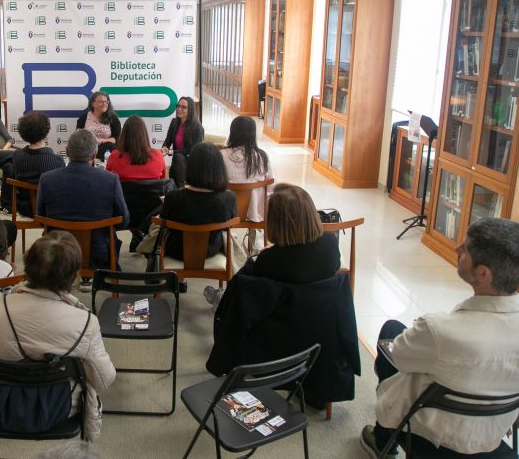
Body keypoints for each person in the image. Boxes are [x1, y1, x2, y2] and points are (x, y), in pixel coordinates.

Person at [361, 218, 519, 458]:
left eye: (465, 248)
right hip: (490, 436)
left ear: (483, 273)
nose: (456, 249)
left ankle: (384, 440)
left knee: (392, 333)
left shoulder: (440, 330)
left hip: (432, 435)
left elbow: (399, 357)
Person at [0, 231, 116, 440]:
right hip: (60, 409)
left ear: (26, 265)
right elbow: (104, 379)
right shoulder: (85, 323)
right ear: (74, 275)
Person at [204, 184, 339, 309]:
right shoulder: (330, 244)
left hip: (277, 323)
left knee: (230, 296)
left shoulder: (267, 260)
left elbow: (239, 290)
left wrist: (255, 259)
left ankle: (219, 297)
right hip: (319, 320)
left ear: (274, 224)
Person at [37, 129, 130, 290]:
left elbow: (41, 219)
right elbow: (124, 221)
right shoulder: (110, 180)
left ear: (66, 152)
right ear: (94, 155)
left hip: (57, 254)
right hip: (100, 255)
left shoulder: (47, 179)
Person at [159, 142, 235, 292]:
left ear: (190, 167)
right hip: (211, 250)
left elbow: (163, 224)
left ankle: (180, 279)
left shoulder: (173, 197)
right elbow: (229, 227)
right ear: (219, 169)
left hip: (176, 250)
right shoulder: (228, 198)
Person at [10, 110, 65, 217]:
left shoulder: (16, 156)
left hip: (25, 209)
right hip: (49, 210)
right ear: (47, 132)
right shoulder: (58, 160)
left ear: (22, 133)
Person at [221, 115, 273, 223]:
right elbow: (271, 188)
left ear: (232, 133)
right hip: (255, 213)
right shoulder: (262, 157)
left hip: (226, 214)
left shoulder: (222, 155)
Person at [160, 96, 204, 188]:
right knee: (177, 158)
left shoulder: (197, 127)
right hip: (177, 162)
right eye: (178, 106)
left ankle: (180, 188)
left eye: (183, 107)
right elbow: (168, 141)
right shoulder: (174, 122)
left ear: (190, 109)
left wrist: (172, 152)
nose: (179, 109)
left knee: (178, 157)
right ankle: (177, 189)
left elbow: (192, 150)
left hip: (191, 162)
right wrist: (164, 148)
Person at [106, 115, 166, 181]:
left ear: (124, 134)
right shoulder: (158, 156)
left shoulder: (114, 156)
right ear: (144, 133)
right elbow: (162, 182)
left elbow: (108, 181)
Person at [76, 91, 121, 160]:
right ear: (93, 103)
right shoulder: (84, 118)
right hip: (88, 150)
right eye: (101, 102)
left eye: (106, 102)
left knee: (108, 146)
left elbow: (116, 139)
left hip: (107, 150)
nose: (104, 104)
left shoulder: (113, 118)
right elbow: (77, 136)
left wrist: (100, 141)